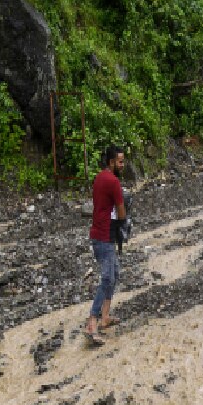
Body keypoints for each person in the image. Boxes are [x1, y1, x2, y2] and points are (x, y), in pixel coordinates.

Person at [85, 146, 126, 346]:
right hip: (105, 237)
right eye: (120, 161)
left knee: (114, 274)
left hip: (98, 234)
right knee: (108, 277)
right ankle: (92, 321)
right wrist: (123, 227)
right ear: (111, 162)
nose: (123, 165)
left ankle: (105, 316)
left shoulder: (99, 177)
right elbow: (121, 212)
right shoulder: (113, 181)